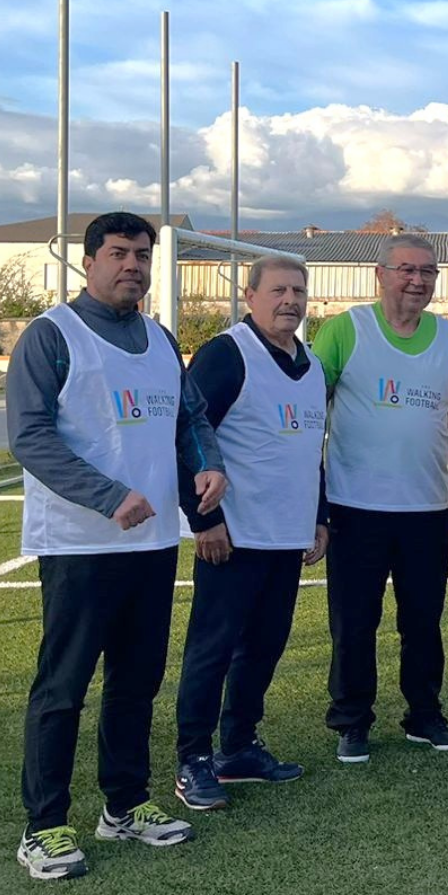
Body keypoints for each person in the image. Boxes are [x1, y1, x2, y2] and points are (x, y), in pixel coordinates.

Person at [6, 210, 226, 880]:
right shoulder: (52, 336)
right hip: (80, 545)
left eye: (143, 255)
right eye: (119, 253)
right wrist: (108, 496)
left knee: (136, 683)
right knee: (63, 688)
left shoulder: (161, 338)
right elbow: (31, 436)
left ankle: (125, 805)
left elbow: (188, 417)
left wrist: (206, 465)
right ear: (89, 260)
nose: (133, 265)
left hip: (152, 544)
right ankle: (44, 826)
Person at [311, 233, 448, 764]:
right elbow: (315, 405)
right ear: (379, 275)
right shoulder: (345, 330)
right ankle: (352, 720)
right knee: (355, 621)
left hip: (426, 507)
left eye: (427, 271)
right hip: (355, 506)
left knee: (423, 621)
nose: (417, 280)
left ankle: (424, 715)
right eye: (406, 269)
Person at [172, 258, 329, 811]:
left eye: (299, 291)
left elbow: (311, 452)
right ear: (250, 295)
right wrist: (205, 519)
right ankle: (192, 758)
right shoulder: (227, 353)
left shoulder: (310, 365)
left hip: (285, 537)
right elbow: (186, 434)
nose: (290, 299)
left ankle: (237, 747)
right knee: (211, 651)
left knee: (264, 647)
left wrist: (320, 517)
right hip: (233, 537)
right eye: (278, 290)